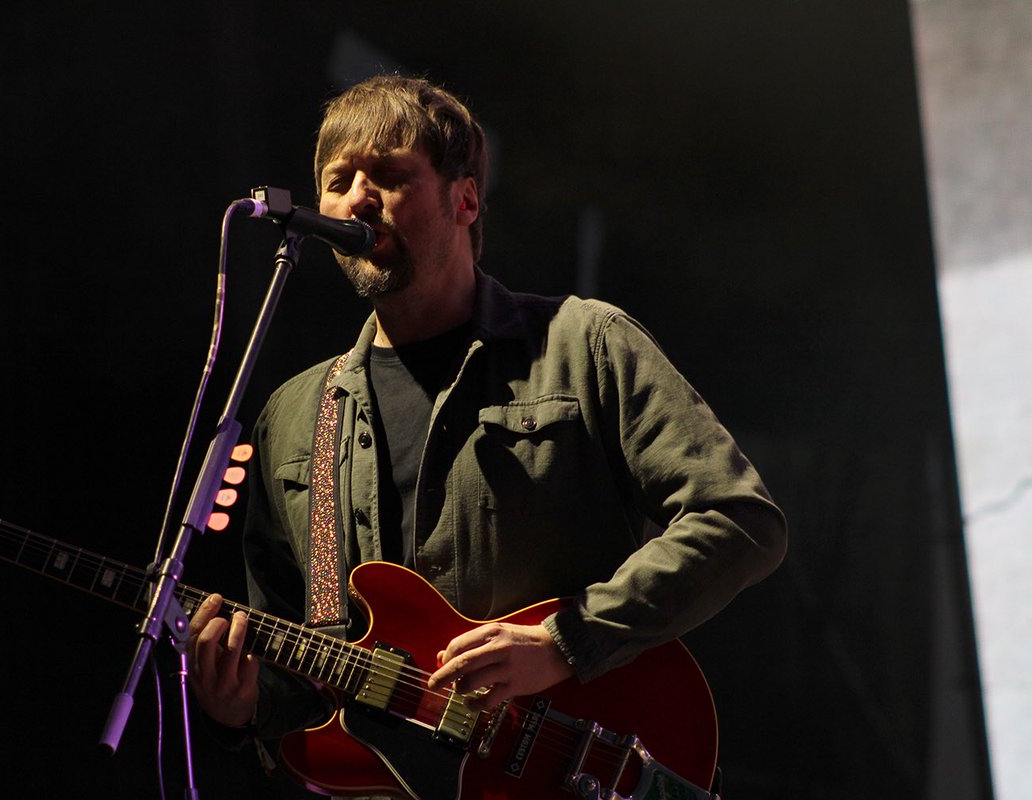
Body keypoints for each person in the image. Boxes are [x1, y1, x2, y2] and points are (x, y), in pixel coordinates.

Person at [187, 74, 787, 792]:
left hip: (577, 764)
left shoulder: (582, 343)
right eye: (338, 180)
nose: (356, 198)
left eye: (387, 174)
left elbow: (740, 519)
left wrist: (566, 642)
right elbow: (309, 657)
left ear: (464, 199)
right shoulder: (294, 415)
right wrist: (240, 707)